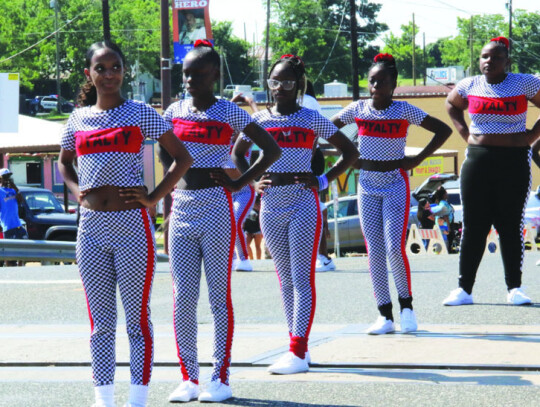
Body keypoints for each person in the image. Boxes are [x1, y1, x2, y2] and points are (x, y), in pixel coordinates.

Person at [58, 41, 192, 407]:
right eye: (100, 68)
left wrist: (153, 198)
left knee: (137, 319)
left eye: (115, 66)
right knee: (101, 324)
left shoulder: (140, 113)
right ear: (89, 73)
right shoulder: (78, 119)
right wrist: (76, 192)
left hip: (131, 226)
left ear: (124, 71)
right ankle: (103, 399)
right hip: (91, 229)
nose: (109, 74)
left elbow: (182, 158)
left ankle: (137, 398)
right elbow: (64, 163)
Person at [162, 40, 280, 403]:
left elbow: (272, 149)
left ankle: (221, 376)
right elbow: (169, 162)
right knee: (183, 297)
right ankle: (189, 378)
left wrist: (239, 182)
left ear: (214, 75)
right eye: (186, 74)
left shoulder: (230, 112)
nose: (189, 80)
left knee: (218, 296)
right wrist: (163, 206)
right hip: (180, 205)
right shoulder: (172, 111)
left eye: (198, 74)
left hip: (216, 207)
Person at [240, 54, 357, 374]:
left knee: (302, 279)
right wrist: (253, 179)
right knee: (284, 280)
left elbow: (350, 152)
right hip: (271, 203)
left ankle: (297, 349)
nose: (280, 88)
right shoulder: (260, 121)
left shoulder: (311, 118)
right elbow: (238, 153)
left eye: (287, 82)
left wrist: (323, 180)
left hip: (304, 203)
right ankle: (298, 347)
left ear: (299, 85)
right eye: (274, 82)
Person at [332, 53, 452, 335]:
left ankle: (407, 308)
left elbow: (443, 130)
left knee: (393, 247)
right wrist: (349, 156)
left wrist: (418, 158)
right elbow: (327, 129)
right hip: (367, 184)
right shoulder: (358, 109)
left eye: (381, 81)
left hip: (395, 182)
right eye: (371, 81)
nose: (375, 85)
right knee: (373, 249)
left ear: (393, 84)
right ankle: (384, 315)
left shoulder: (404, 110)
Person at [443, 36, 540, 306]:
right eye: (485, 57)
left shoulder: (524, 82)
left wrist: (532, 134)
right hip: (478, 160)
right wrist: (464, 133)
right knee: (474, 226)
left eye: (496, 57)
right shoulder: (470, 84)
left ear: (507, 61)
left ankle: (515, 288)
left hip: (514, 160)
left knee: (510, 226)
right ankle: (464, 289)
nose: (489, 61)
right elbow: (451, 104)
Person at [0, 168, 28, 241]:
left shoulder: (13, 190)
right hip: (8, 228)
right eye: (5, 177)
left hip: (18, 226)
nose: (7, 179)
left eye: (9, 177)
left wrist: (15, 187)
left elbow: (21, 201)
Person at [243, 194, 263, 260]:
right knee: (246, 244)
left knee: (257, 246)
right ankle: (251, 259)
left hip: (257, 229)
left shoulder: (260, 206)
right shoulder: (245, 204)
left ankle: (258, 260)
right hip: (248, 229)